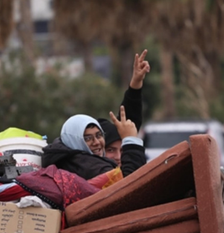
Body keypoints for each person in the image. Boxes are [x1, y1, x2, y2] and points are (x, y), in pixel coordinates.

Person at [41, 50, 150, 180]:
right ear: (75, 141)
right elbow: (129, 185)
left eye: (99, 135)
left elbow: (127, 125)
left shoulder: (75, 157)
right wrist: (131, 141)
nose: (96, 142)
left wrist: (135, 85)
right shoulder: (90, 167)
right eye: (87, 138)